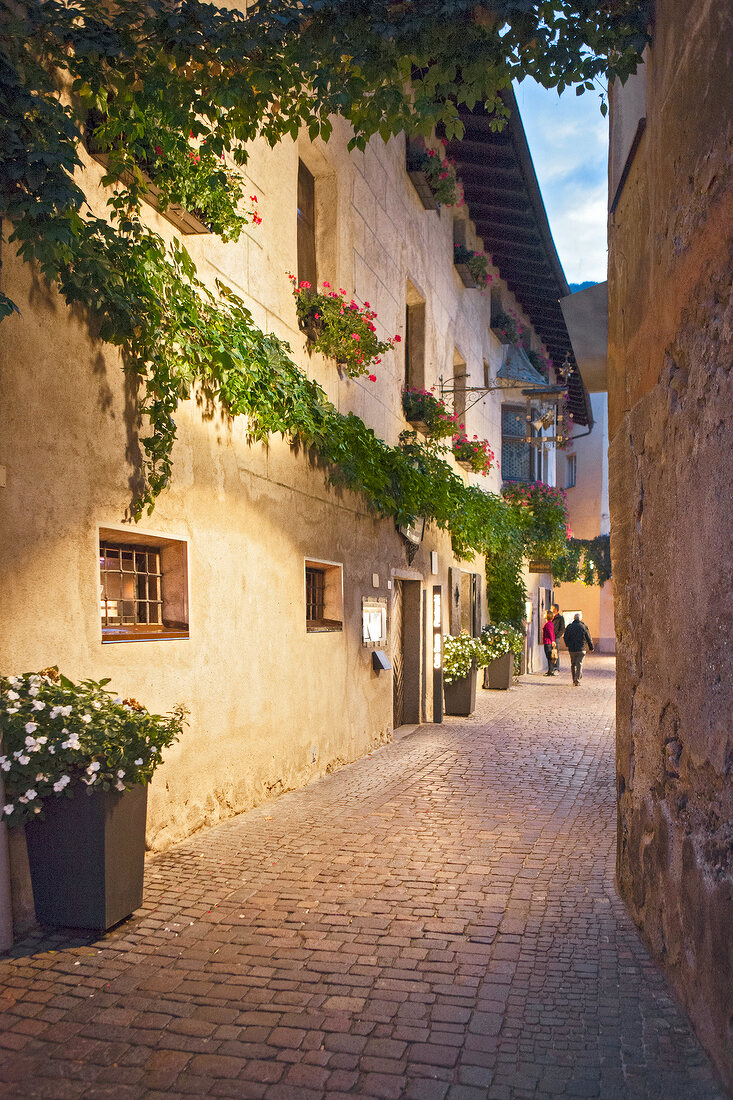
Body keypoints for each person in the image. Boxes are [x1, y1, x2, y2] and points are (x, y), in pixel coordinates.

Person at [563, 613, 595, 686]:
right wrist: (591, 647)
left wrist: (567, 644)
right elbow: (588, 638)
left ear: (574, 618)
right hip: (581, 648)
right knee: (579, 663)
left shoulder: (569, 627)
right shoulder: (583, 627)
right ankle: (577, 680)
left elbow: (565, 637)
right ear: (580, 619)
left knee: (573, 664)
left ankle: (574, 679)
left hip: (572, 649)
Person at [551, 604, 565, 671]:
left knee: (556, 652)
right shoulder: (550, 617)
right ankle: (551, 666)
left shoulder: (560, 618)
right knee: (550, 652)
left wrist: (557, 636)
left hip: (556, 638)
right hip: (550, 637)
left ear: (555, 609)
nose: (551, 609)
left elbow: (562, 628)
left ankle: (556, 667)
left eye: (552, 608)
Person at [542, 611, 556, 676]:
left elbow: (550, 633)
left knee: (549, 657)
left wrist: (553, 640)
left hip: (548, 642)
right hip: (548, 641)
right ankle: (550, 670)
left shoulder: (548, 624)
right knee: (549, 657)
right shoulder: (550, 623)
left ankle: (551, 671)